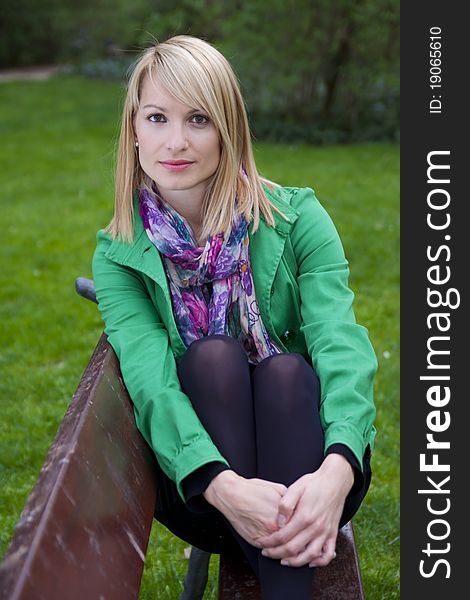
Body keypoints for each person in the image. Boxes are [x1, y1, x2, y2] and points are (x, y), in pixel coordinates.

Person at [92, 34, 377, 600]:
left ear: (229, 130)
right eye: (157, 118)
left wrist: (337, 471)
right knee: (213, 359)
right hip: (204, 487)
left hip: (313, 476)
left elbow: (341, 344)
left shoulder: (298, 220)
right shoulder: (119, 255)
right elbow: (155, 389)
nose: (176, 141)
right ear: (133, 131)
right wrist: (225, 487)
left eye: (199, 119)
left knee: (287, 372)